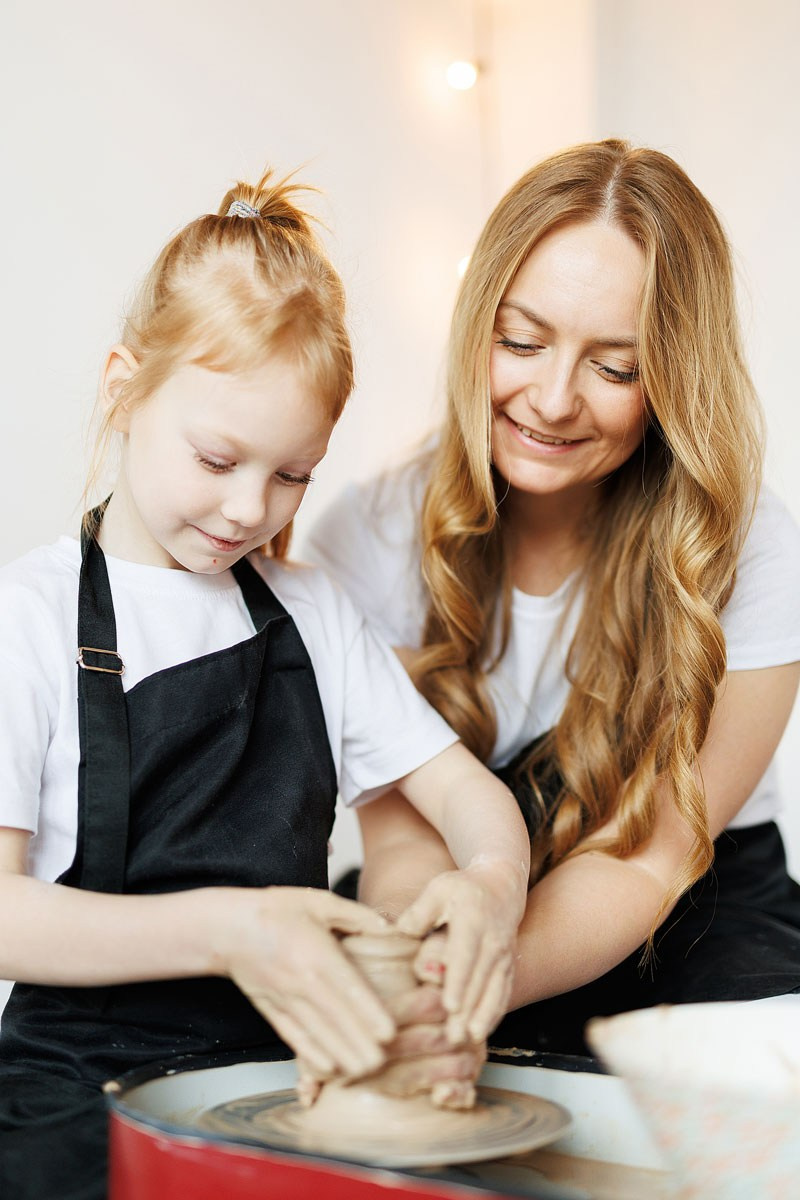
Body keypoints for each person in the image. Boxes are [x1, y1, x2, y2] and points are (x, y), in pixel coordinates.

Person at [0, 173, 531, 1199]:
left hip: (278, 1070)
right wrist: (230, 932)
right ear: (123, 387)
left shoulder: (309, 612)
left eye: (293, 474)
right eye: (217, 457)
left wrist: (491, 885)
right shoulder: (30, 618)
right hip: (73, 1087)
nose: (251, 507)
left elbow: (467, 799)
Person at [307, 138, 800, 1056]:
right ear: (474, 323)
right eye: (521, 341)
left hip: (689, 911)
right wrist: (427, 976)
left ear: (675, 381)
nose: (553, 398)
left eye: (616, 368)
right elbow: (405, 844)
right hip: (452, 895)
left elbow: (650, 859)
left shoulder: (753, 550)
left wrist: (485, 982)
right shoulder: (364, 537)